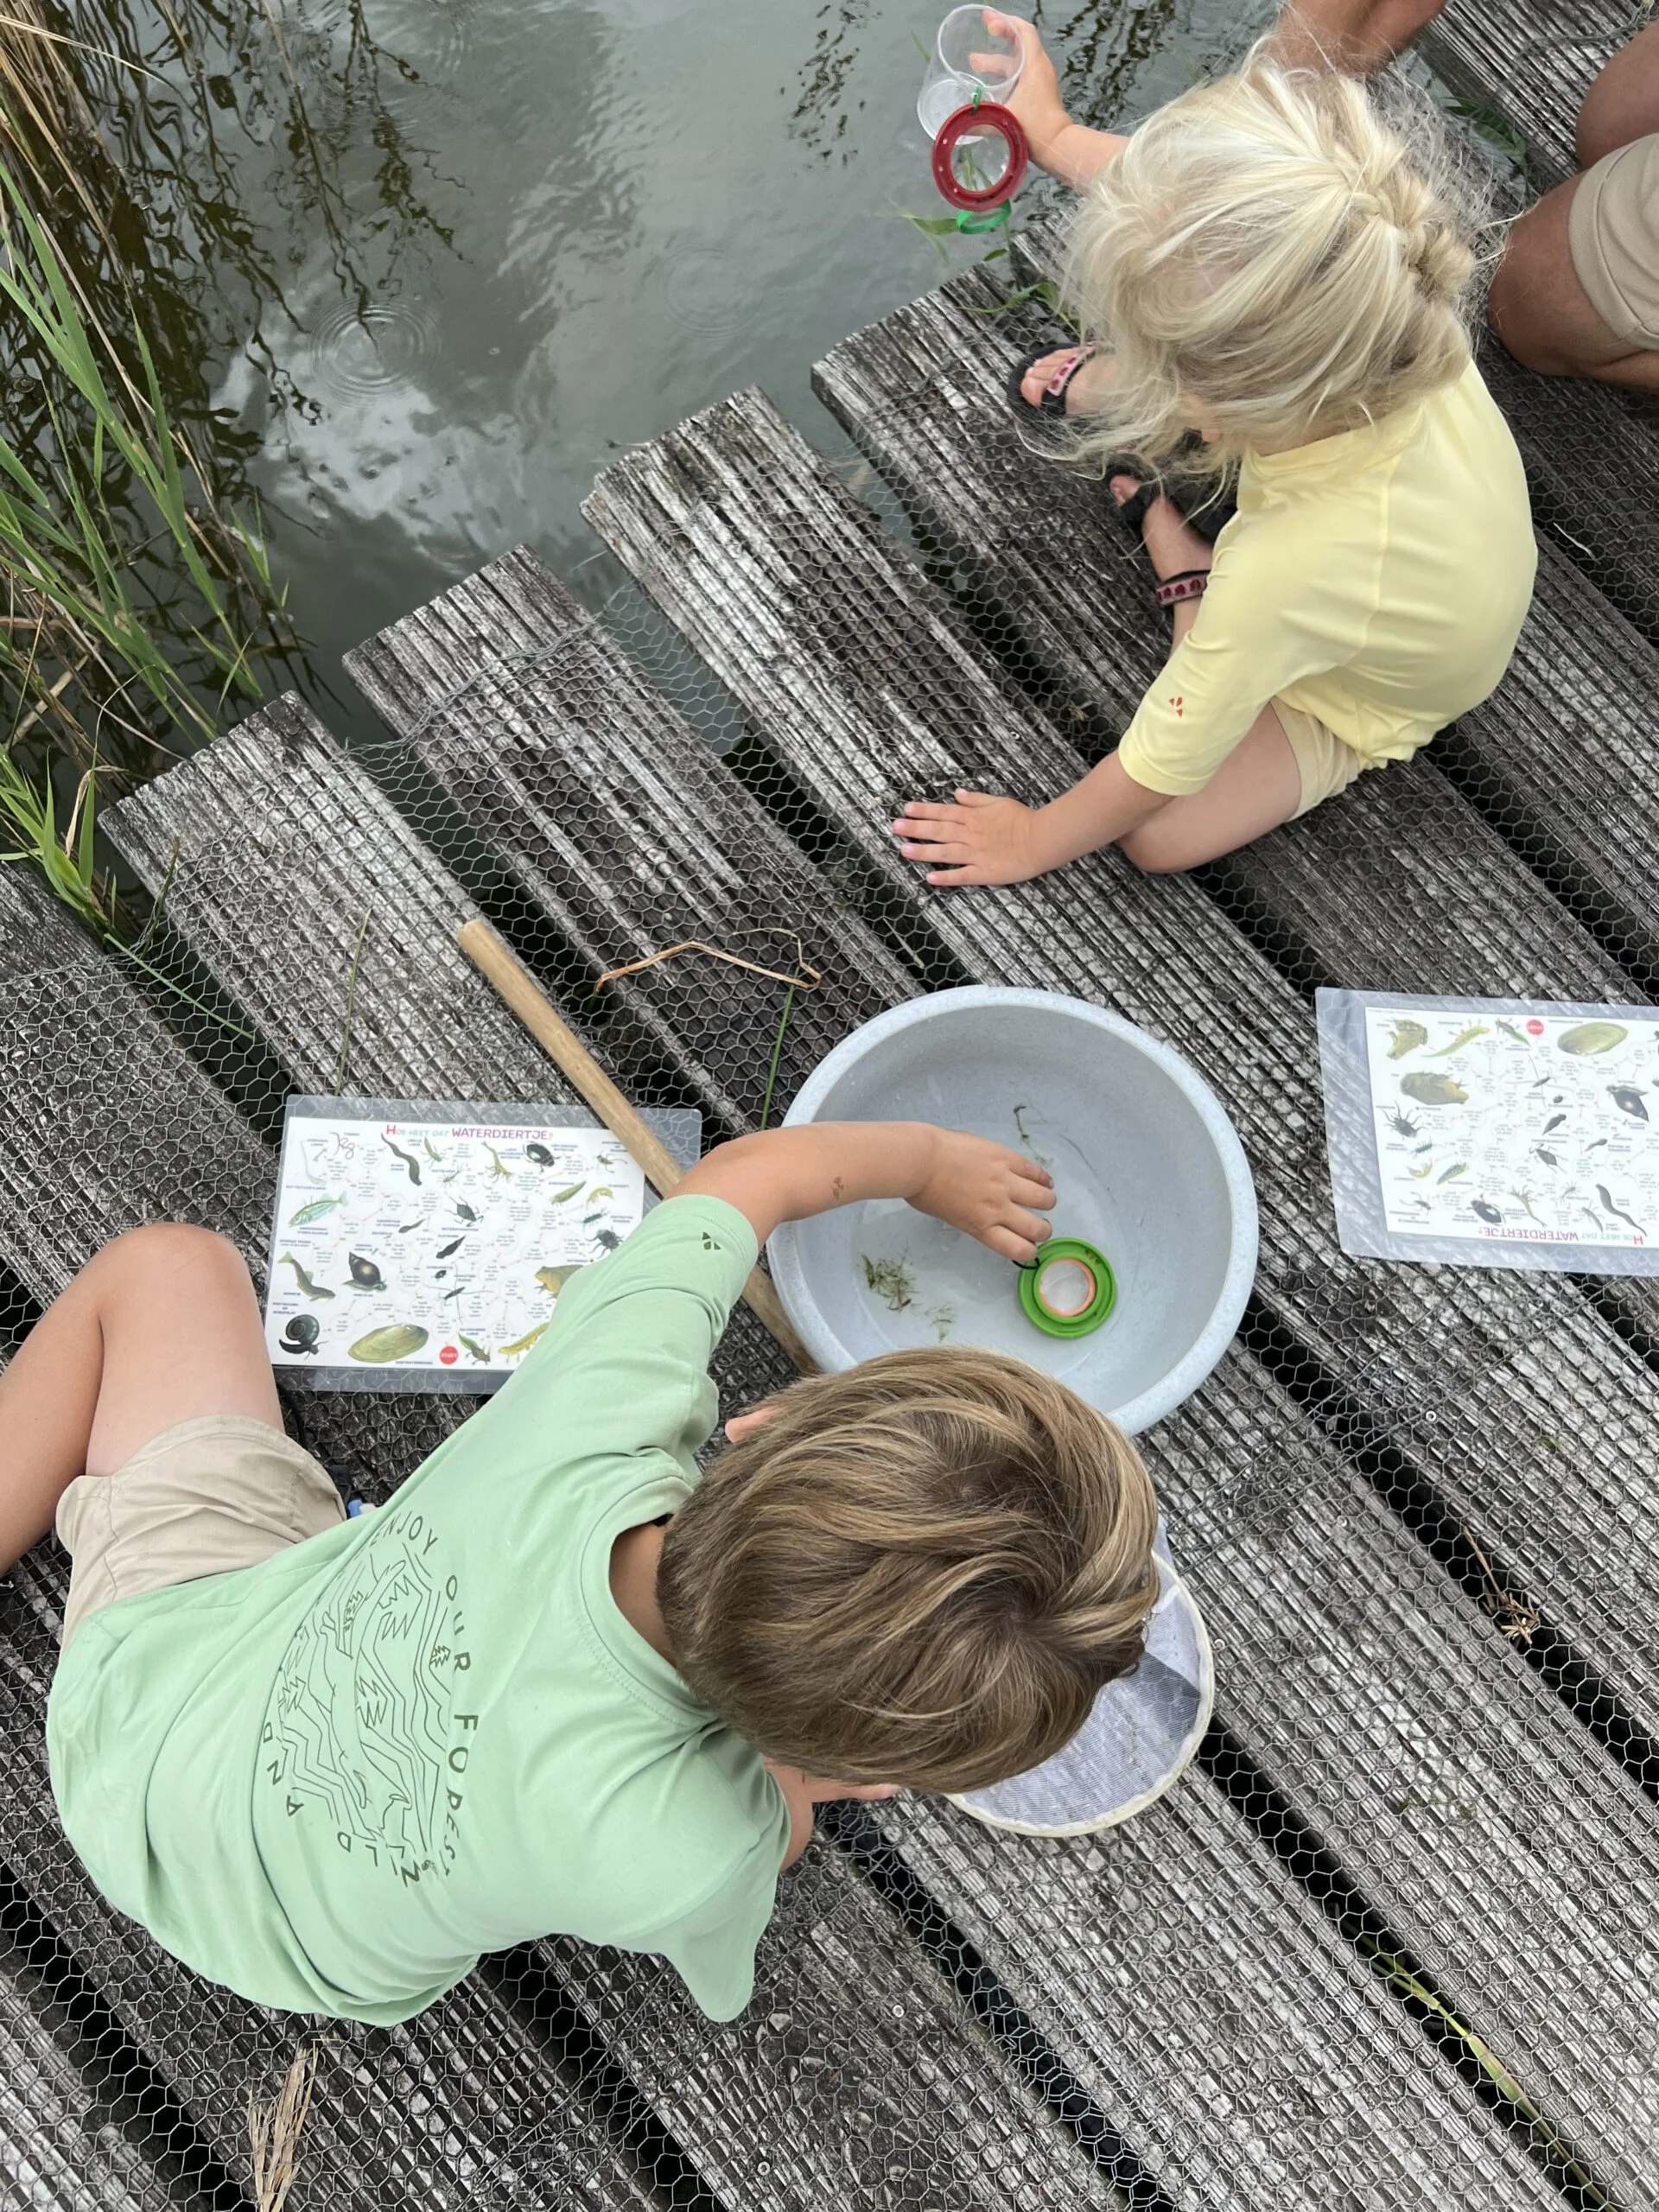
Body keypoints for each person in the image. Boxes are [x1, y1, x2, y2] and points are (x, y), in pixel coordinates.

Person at [9, 1121, 1159, 2024]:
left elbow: (748, 1181)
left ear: (758, 1426)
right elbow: (774, 1836)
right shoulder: (690, 1856)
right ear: (868, 1763)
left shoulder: (603, 1392)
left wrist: (924, 1161)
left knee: (168, 1267)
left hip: (150, 1703)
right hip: (285, 1949)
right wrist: (800, 1781)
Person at [892, 21, 1536, 884]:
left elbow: (1159, 764)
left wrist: (1030, 839)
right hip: (1448, 551)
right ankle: (1194, 429)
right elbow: (1218, 225)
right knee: (1204, 296)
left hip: (1370, 691)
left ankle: (1185, 570)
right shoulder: (1380, 299)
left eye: (1163, 364)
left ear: (1221, 409)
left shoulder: (1280, 571)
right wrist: (1053, 138)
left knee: (1156, 838)